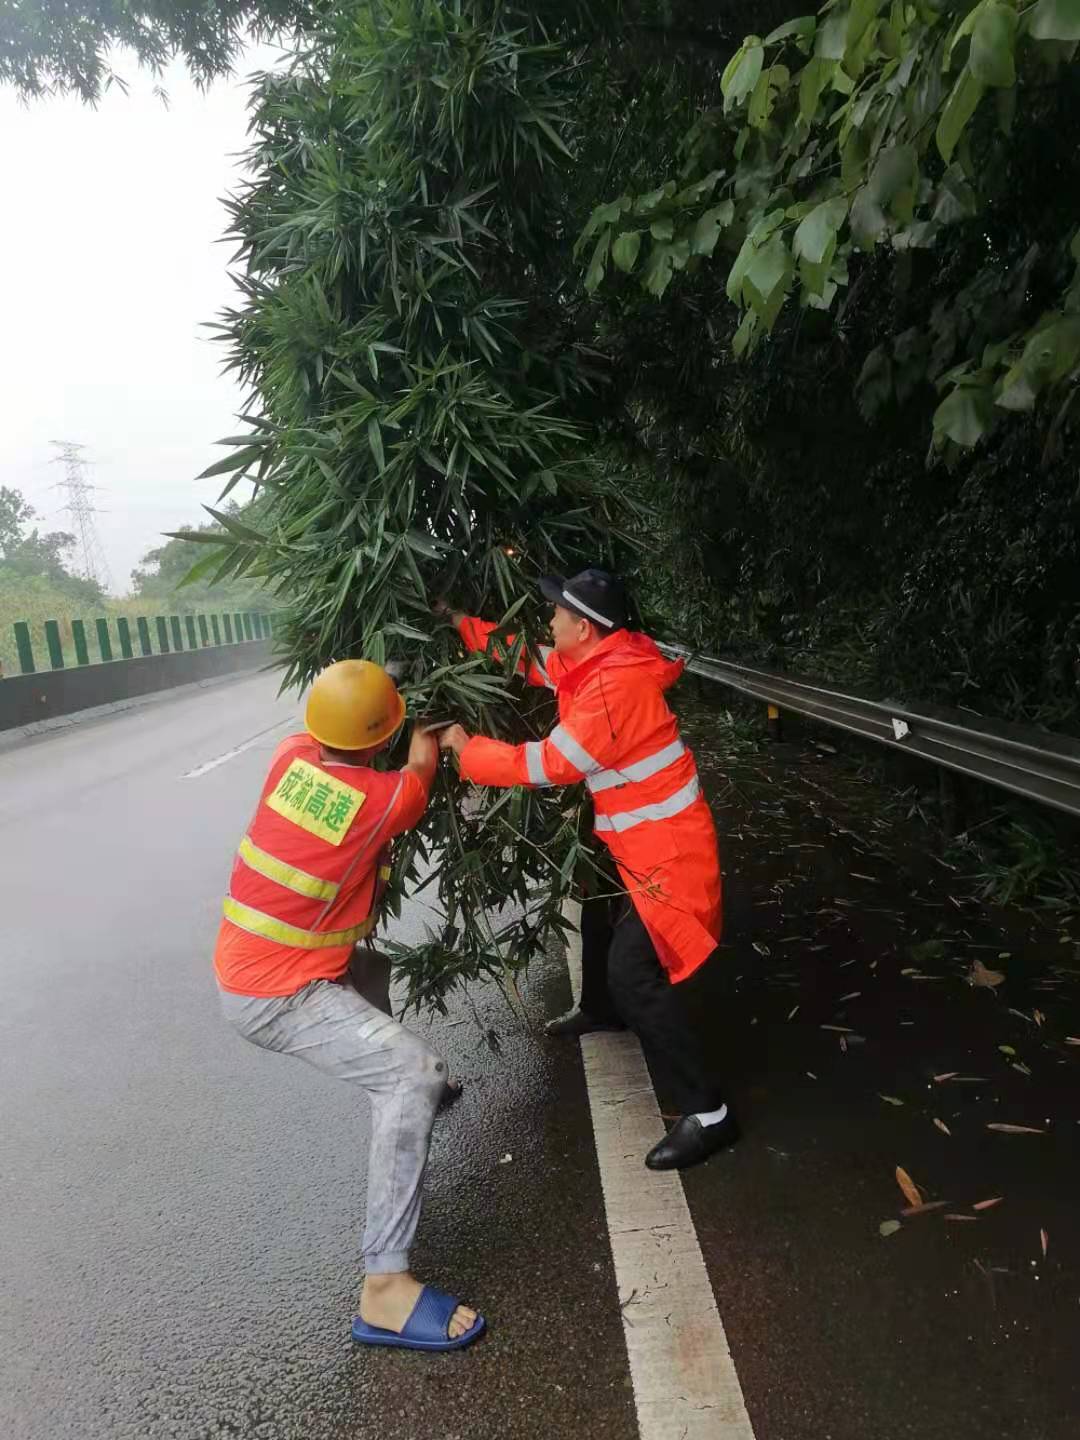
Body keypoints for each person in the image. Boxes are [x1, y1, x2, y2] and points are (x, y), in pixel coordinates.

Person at [213, 658, 485, 1352]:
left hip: (260, 962)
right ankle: (385, 1290)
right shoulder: (377, 802)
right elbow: (421, 769)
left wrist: (378, 689)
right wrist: (428, 714)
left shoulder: (288, 757)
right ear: (377, 737)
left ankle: (417, 1097)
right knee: (409, 1073)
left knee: (371, 967)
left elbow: (349, 737)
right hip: (278, 996)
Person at [434, 568, 739, 1171]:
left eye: (556, 614)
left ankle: (708, 1113)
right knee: (594, 892)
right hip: (638, 841)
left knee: (636, 973)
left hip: (669, 855)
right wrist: (457, 623)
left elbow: (550, 762)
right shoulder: (602, 662)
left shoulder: (612, 689)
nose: (548, 622)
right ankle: (599, 1006)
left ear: (583, 626)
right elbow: (527, 658)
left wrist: (465, 748)